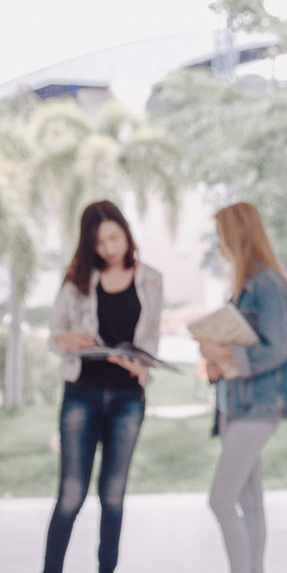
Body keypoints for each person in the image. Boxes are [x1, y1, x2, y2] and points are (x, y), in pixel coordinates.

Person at [43, 200, 163, 573]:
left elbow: (151, 341)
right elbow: (54, 336)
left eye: (114, 238)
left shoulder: (152, 279)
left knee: (113, 497)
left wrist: (140, 363)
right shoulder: (76, 279)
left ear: (127, 233)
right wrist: (69, 340)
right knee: (71, 495)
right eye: (99, 242)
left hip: (128, 397)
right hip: (82, 393)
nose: (109, 248)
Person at [199, 201, 287, 573]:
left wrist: (225, 351)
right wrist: (216, 362)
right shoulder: (244, 287)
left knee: (221, 500)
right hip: (236, 406)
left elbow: (277, 349)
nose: (220, 245)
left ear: (237, 235)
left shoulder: (268, 285)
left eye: (222, 236)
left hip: (258, 407)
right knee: (249, 503)